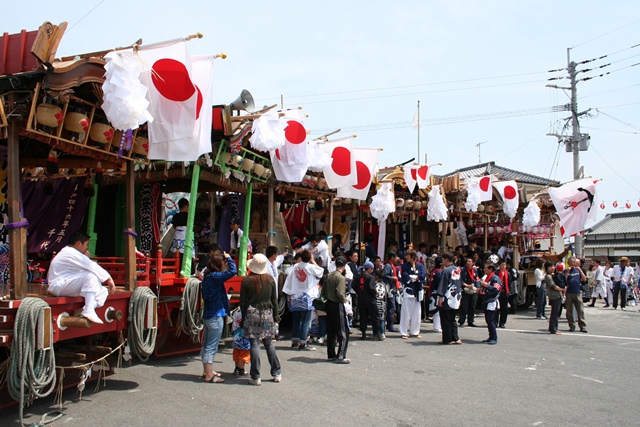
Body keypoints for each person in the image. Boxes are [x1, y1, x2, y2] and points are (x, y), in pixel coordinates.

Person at [47, 230, 116, 324]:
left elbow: (86, 267)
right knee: (90, 277)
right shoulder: (70, 252)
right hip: (59, 285)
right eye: (86, 244)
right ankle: (88, 309)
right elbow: (91, 265)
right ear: (79, 243)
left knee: (103, 291)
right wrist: (108, 278)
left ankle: (87, 308)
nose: (87, 248)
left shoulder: (70, 252)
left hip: (66, 283)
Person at [240, 253, 281, 385]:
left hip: (252, 312)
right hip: (267, 313)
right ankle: (276, 372)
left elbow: (243, 302)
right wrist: (276, 317)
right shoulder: (270, 279)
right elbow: (274, 300)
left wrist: (243, 316)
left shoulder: (247, 280)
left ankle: (255, 376)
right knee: (269, 343)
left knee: (254, 344)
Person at [201, 251, 237, 383]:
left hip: (208, 314)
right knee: (212, 345)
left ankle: (207, 371)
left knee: (206, 344)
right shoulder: (215, 277)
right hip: (216, 315)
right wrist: (230, 259)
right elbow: (232, 272)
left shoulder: (207, 277)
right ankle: (209, 375)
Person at [282, 249, 324, 350]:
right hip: (307, 298)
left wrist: (289, 294)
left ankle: (295, 341)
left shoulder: (295, 267)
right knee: (306, 321)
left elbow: (289, 281)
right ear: (309, 258)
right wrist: (313, 261)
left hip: (296, 296)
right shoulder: (310, 267)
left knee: (296, 320)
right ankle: (303, 342)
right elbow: (321, 272)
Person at [323, 256, 350, 363]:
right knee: (343, 332)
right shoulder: (340, 278)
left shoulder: (328, 275)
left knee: (331, 331)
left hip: (328, 304)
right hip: (337, 304)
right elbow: (340, 293)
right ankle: (341, 355)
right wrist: (344, 300)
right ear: (344, 266)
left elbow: (323, 291)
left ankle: (331, 354)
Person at [399, 249, 426, 338]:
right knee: (405, 313)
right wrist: (415, 278)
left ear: (413, 257)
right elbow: (405, 277)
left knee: (417, 313)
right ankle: (403, 332)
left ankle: (414, 331)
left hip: (417, 291)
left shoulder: (420, 266)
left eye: (408, 256)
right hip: (408, 291)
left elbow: (423, 275)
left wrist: (413, 277)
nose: (406, 257)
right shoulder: (404, 266)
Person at [436, 253, 462, 345]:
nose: (442, 262)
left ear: (446, 259)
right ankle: (456, 338)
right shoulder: (457, 269)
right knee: (452, 318)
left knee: (445, 319)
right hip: (456, 296)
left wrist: (440, 297)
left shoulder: (446, 270)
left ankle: (447, 339)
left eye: (443, 260)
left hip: (447, 296)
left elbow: (443, 285)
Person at [352, 261, 382, 340]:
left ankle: (363, 334)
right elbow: (371, 288)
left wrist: (359, 292)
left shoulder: (358, 277)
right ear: (368, 269)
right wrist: (376, 292)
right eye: (371, 269)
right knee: (375, 317)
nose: (372, 271)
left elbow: (353, 285)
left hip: (361, 299)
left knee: (363, 317)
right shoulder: (370, 277)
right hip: (370, 300)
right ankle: (376, 334)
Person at [479, 263, 502, 344]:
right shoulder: (487, 277)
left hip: (492, 302)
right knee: (488, 320)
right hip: (486, 301)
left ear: (490, 269)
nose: (484, 269)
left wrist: (487, 286)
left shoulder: (495, 278)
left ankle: (494, 337)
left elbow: (496, 289)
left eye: (485, 268)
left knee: (490, 320)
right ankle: (491, 336)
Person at [565, 257, 587, 333]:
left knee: (580, 310)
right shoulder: (566, 271)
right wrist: (567, 273)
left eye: (574, 262)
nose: (573, 263)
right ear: (568, 263)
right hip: (569, 293)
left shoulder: (578, 270)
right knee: (569, 311)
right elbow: (564, 281)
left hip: (577, 292)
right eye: (571, 262)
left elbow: (584, 279)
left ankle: (582, 326)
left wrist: (580, 271)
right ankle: (572, 325)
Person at [382, 251, 401, 333]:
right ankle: (390, 325)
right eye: (395, 257)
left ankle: (389, 324)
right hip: (389, 289)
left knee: (392, 307)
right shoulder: (388, 266)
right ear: (392, 257)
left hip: (393, 288)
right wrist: (392, 278)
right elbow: (384, 276)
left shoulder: (393, 266)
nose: (396, 259)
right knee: (391, 307)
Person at [459, 257, 479, 327]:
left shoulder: (475, 270)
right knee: (464, 306)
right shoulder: (462, 270)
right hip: (465, 289)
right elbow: (460, 279)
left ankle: (471, 321)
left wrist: (477, 288)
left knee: (472, 306)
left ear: (472, 263)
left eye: (470, 261)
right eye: (467, 261)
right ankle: (462, 321)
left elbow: (477, 279)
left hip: (473, 289)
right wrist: (466, 285)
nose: (468, 263)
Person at [545, 262, 564, 334]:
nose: (552, 268)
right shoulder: (548, 276)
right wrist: (561, 289)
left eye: (553, 266)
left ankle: (554, 328)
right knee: (554, 313)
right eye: (550, 267)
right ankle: (553, 329)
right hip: (554, 296)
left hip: (558, 296)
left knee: (556, 313)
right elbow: (553, 286)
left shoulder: (554, 275)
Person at [231, 308, 250, 377]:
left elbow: (234, 324)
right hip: (245, 335)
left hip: (236, 334)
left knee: (237, 351)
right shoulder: (249, 312)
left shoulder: (237, 312)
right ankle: (241, 370)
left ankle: (236, 368)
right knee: (244, 353)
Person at [497, 259, 512, 328]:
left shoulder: (507, 273)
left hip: (505, 292)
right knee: (497, 308)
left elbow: (509, 283)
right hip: (498, 292)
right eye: (502, 264)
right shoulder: (496, 273)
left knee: (504, 309)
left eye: (504, 265)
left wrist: (508, 291)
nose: (503, 266)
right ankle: (495, 321)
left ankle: (502, 322)